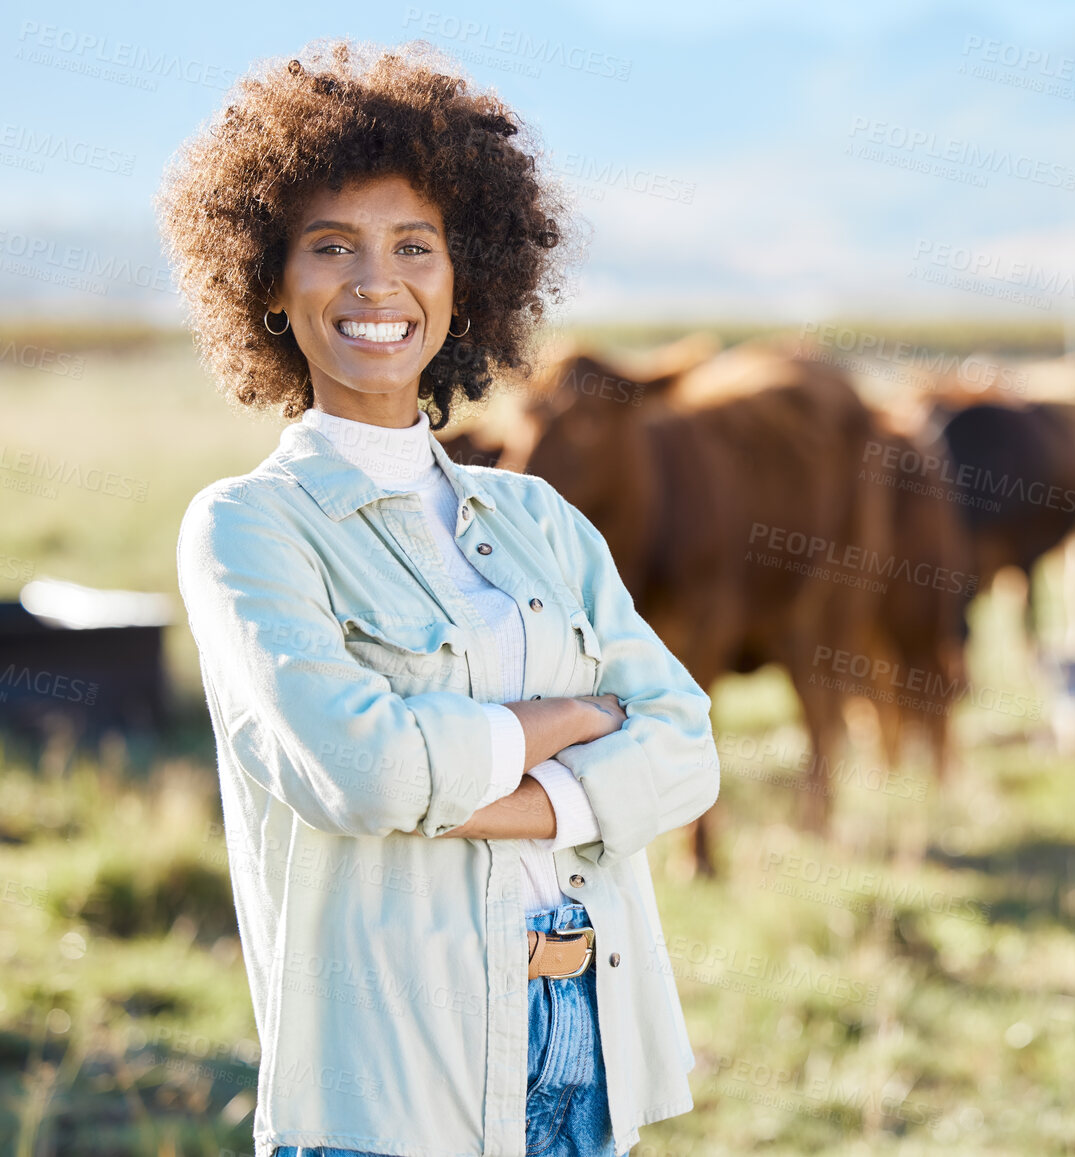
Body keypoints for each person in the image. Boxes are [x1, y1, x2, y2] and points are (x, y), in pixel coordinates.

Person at [158, 39, 719, 1157]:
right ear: (267, 282)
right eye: (332, 246)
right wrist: (569, 721)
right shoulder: (247, 528)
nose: (378, 282)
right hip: (389, 1083)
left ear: (466, 280)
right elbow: (362, 772)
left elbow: (688, 749)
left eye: (415, 245)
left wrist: (471, 780)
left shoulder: (541, 519)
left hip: (585, 1048)